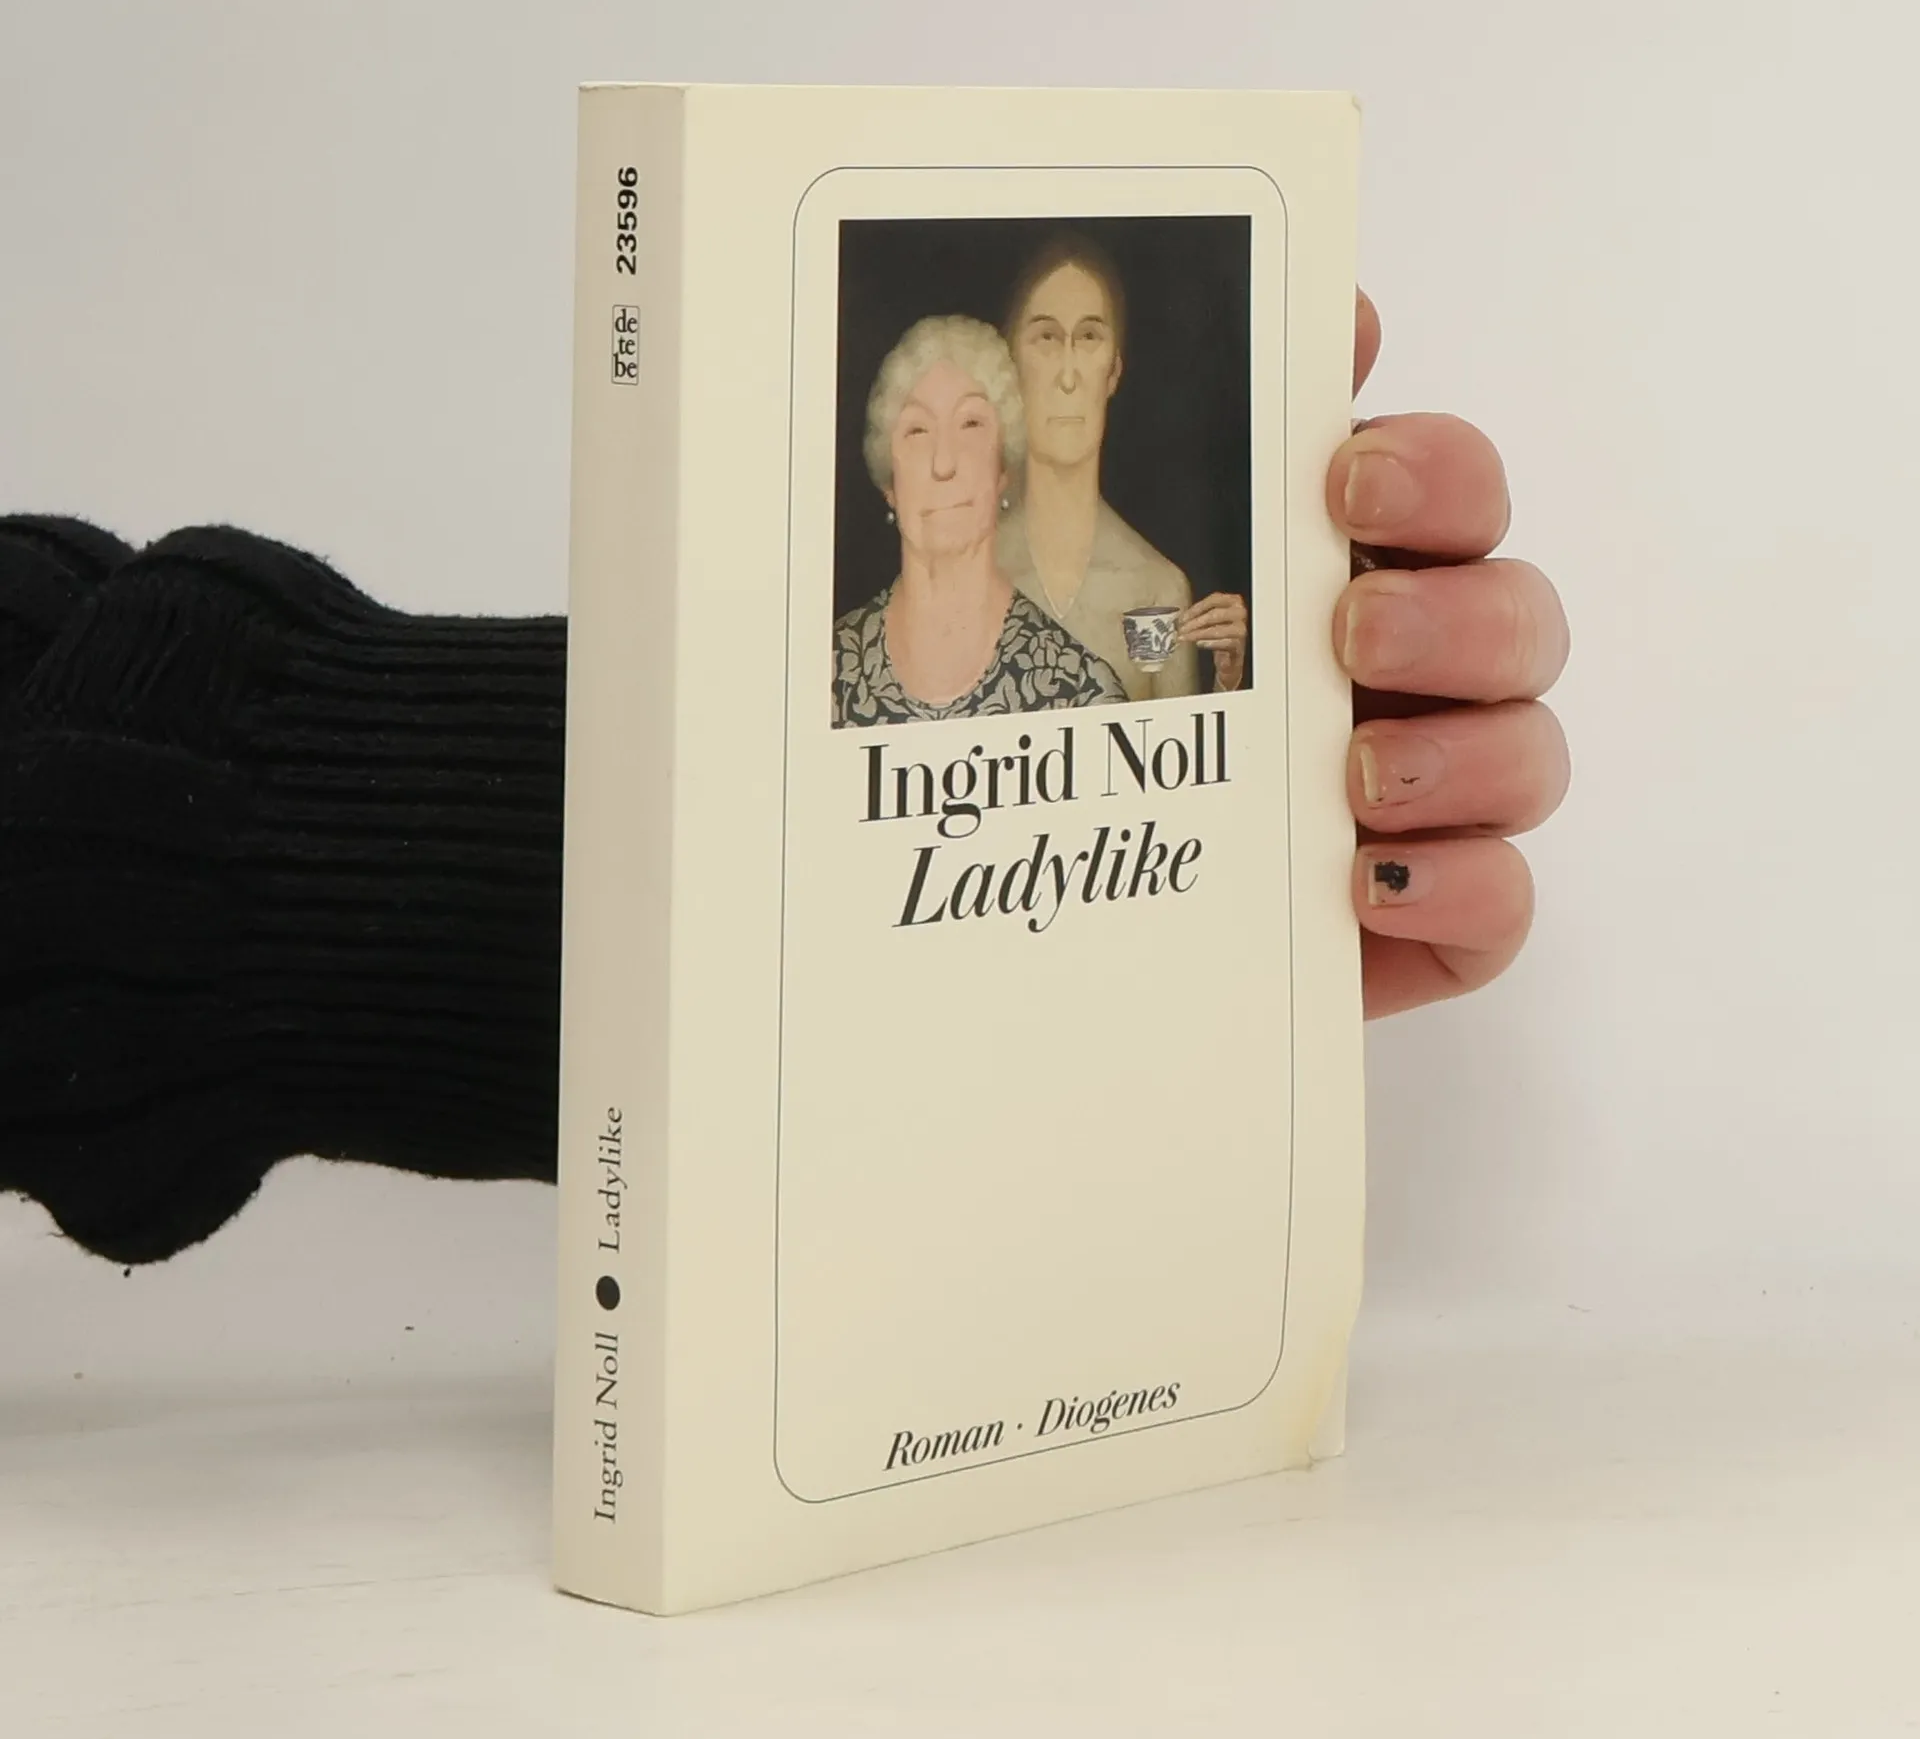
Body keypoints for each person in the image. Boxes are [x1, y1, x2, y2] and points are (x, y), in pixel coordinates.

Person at [0, 290, 1569, 1264]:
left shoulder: (1122, 633)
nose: (947, 456)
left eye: (981, 420)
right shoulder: (837, 669)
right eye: (919, 425)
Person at [834, 314, 1125, 726]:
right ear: (889, 481)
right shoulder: (825, 675)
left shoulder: (1080, 691)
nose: (943, 463)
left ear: (1003, 466)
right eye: (917, 431)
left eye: (970, 424)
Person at [995, 233, 1250, 699]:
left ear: (1113, 370)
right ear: (1012, 366)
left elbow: (1175, 743)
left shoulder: (1155, 589)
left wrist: (1228, 686)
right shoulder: (966, 567)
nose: (1067, 376)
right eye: (1047, 338)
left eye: (1088, 337)